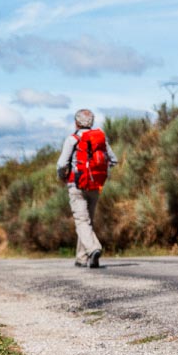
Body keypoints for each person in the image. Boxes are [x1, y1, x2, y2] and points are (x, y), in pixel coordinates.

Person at [56, 109, 117, 268]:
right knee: (87, 221)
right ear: (92, 122)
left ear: (76, 122)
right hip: (95, 185)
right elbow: (113, 160)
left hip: (76, 185)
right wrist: (100, 173)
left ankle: (93, 249)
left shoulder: (72, 139)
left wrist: (63, 176)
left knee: (82, 221)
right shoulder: (100, 139)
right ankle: (81, 258)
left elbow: (62, 164)